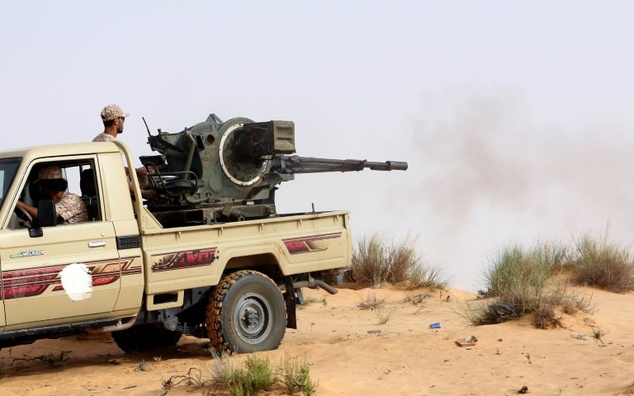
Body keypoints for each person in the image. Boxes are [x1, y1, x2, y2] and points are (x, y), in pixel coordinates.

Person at [93, 104, 157, 200]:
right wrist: (141, 192)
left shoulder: (96, 140)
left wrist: (136, 171)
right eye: (123, 119)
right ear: (116, 120)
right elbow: (115, 176)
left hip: (105, 183)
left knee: (145, 170)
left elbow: (113, 169)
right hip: (116, 187)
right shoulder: (113, 145)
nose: (123, 123)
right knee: (152, 172)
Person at [17, 165, 88, 224]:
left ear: (44, 186)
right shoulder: (52, 201)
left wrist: (17, 203)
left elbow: (46, 216)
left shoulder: (71, 199)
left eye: (39, 185)